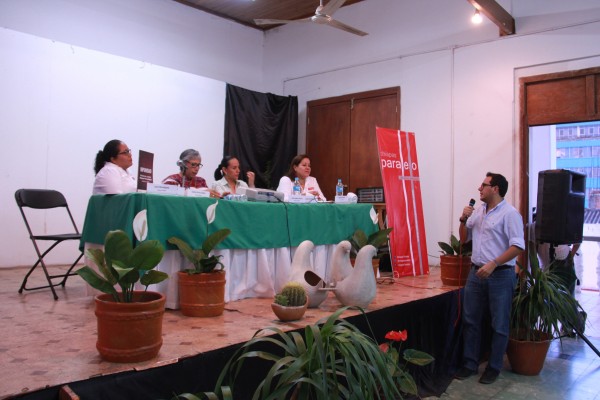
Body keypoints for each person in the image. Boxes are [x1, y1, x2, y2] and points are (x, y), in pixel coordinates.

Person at [455, 172, 525, 385]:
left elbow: (517, 247)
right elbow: (464, 238)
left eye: (484, 185)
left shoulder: (510, 214)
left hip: (500, 275)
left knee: (499, 324)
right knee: (471, 320)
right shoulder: (479, 212)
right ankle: (470, 364)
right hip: (476, 273)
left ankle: (494, 367)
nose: (479, 188)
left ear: (495, 189)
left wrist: (494, 263)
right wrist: (463, 218)